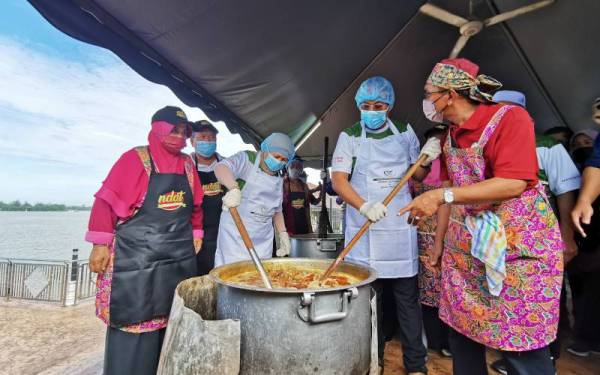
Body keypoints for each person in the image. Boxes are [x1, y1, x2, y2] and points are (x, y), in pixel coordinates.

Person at [400, 58, 563, 375]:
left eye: (428, 93)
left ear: (449, 94)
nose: (426, 101)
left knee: (519, 338)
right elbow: (450, 191)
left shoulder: (509, 118)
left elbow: (514, 182)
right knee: (463, 333)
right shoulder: (450, 137)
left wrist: (440, 195)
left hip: (518, 251)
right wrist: (439, 246)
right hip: (465, 255)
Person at [331, 76, 441, 375]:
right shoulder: (350, 135)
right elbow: (339, 180)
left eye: (378, 106)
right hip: (365, 228)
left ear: (389, 106)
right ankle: (372, 362)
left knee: (408, 302)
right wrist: (364, 205)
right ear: (359, 107)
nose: (372, 111)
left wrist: (427, 158)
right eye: (366, 106)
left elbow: (416, 176)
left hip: (399, 229)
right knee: (370, 306)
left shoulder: (404, 132)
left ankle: (416, 365)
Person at [85, 106, 204, 374]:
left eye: (184, 132)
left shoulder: (187, 165)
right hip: (135, 262)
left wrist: (197, 232)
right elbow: (105, 203)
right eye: (174, 129)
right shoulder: (136, 159)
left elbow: (196, 207)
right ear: (158, 128)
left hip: (175, 260)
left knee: (170, 321)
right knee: (134, 323)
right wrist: (100, 245)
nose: (180, 136)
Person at [489, 90, 581, 374]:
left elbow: (564, 191)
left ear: (523, 114)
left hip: (540, 239)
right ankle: (513, 356)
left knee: (543, 299)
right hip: (501, 240)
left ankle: (548, 355)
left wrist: (567, 236)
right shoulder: (489, 144)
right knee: (507, 301)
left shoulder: (546, 146)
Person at [214, 133, 294, 266]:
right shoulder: (247, 159)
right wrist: (233, 188)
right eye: (276, 156)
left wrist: (282, 233)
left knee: (259, 279)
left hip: (263, 240)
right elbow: (221, 167)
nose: (279, 161)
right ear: (265, 150)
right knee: (232, 275)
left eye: (284, 160)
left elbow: (277, 209)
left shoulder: (279, 176)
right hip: (235, 237)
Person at [409, 125, 452, 359]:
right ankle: (437, 339)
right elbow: (413, 181)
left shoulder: (454, 164)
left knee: (451, 285)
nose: (436, 145)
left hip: (452, 233)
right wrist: (422, 160)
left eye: (439, 140)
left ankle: (450, 340)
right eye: (431, 142)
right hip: (423, 235)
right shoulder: (422, 166)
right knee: (428, 286)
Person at [569, 115, 600, 357]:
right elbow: (596, 164)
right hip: (588, 237)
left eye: (586, 143)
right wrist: (585, 200)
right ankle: (585, 338)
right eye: (577, 144)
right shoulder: (579, 175)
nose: (582, 148)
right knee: (587, 291)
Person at [190, 120, 224, 275]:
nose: (208, 141)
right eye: (203, 137)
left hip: (224, 232)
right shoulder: (187, 165)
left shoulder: (226, 164)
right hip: (196, 235)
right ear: (192, 141)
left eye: (211, 138)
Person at [282, 157, 321, 235]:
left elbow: (310, 205)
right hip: (288, 228)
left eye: (299, 167)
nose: (296, 169)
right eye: (293, 166)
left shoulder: (304, 186)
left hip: (304, 226)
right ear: (287, 168)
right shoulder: (283, 184)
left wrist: (320, 195)